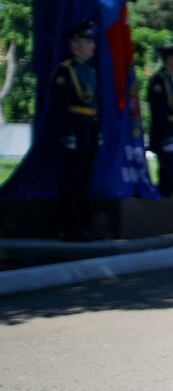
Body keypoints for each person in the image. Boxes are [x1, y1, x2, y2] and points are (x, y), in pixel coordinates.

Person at [50, 20, 101, 241]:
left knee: (83, 179)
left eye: (92, 41)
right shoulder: (65, 70)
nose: (93, 45)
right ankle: (67, 226)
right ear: (75, 44)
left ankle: (82, 225)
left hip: (88, 129)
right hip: (74, 129)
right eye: (88, 41)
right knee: (71, 179)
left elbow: (93, 105)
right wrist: (67, 133)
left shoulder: (89, 71)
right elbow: (60, 106)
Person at [147, 43, 173, 197]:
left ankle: (162, 209)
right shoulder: (159, 80)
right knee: (167, 177)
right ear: (169, 59)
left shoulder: (170, 80)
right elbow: (159, 111)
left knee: (172, 178)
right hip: (166, 136)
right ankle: (158, 210)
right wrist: (166, 137)